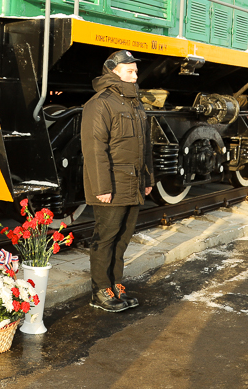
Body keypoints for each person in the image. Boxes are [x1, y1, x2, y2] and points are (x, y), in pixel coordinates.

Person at [81, 50, 153, 312]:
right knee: (106, 238)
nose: (135, 75)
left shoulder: (135, 103)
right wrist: (102, 188)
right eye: (130, 71)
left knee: (123, 238)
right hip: (111, 184)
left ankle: (115, 284)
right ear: (114, 71)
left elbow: (146, 146)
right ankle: (99, 290)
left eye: (135, 71)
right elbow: (94, 149)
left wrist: (148, 178)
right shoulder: (100, 103)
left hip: (133, 183)